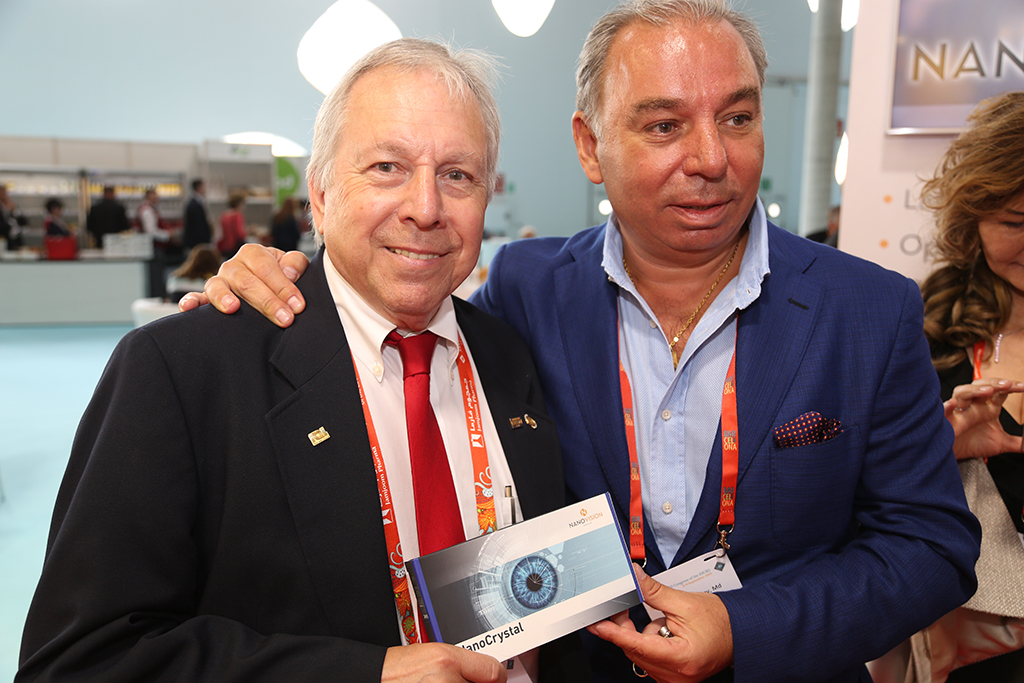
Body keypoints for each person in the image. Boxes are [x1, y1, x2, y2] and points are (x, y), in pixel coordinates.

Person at [184, 1, 982, 681]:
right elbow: (388, 303)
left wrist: (747, 629)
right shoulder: (528, 292)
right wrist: (276, 276)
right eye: (665, 124)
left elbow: (932, 546)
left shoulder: (868, 310)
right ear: (590, 146)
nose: (711, 158)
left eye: (737, 118)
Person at [17, 38, 586, 683]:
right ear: (320, 195)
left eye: (458, 175)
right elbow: (80, 661)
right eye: (387, 168)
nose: (426, 209)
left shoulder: (510, 353)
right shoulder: (182, 371)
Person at [871, 91, 1024, 683]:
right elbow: (853, 498)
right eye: (1014, 223)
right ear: (971, 220)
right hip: (961, 639)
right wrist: (938, 446)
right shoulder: (921, 331)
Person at [183, 178, 212, 249]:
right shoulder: (194, 204)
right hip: (197, 241)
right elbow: (199, 224)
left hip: (198, 240)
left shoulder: (198, 202)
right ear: (199, 187)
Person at [218, 194, 248, 258]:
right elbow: (240, 233)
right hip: (235, 246)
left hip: (225, 245)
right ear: (239, 204)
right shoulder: (237, 215)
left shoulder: (224, 215)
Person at [0, 183, 27, 250]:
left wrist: (13, 211)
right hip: (3, 240)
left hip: (15, 240)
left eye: (4, 193)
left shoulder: (11, 205)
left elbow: (24, 222)